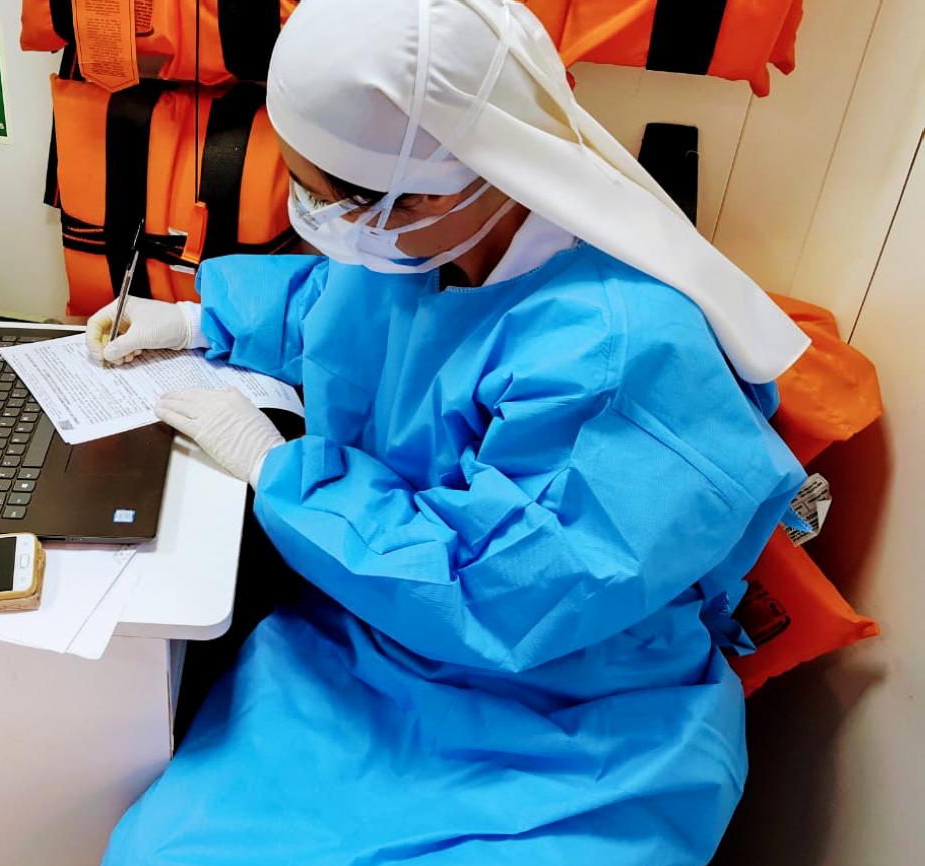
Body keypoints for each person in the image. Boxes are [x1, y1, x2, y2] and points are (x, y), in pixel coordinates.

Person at [85, 0, 810, 863]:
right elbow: (343, 310)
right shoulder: (427, 240)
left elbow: (492, 591)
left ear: (443, 183)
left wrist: (278, 467)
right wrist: (200, 322)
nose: (317, 221)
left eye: (329, 200)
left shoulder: (615, 354)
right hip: (377, 636)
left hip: (573, 712)